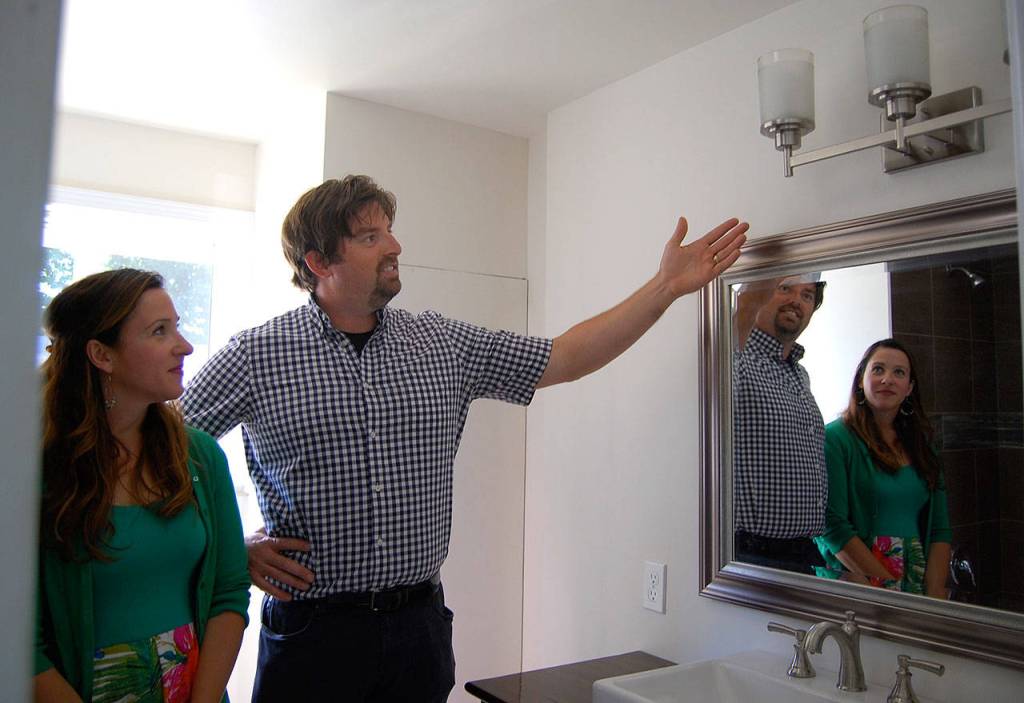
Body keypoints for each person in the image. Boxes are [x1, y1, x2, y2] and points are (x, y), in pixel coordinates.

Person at [180, 174, 748, 702]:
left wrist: (666, 286)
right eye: (371, 236)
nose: (395, 246)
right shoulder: (256, 356)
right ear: (319, 260)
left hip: (418, 632)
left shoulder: (442, 343)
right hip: (312, 637)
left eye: (391, 230)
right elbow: (155, 451)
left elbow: (567, 357)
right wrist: (235, 549)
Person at [35, 269, 250, 703]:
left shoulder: (201, 458)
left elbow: (228, 593)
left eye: (177, 326)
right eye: (159, 331)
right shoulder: (35, 472)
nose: (184, 346)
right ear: (102, 354)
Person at [814, 339, 951, 597]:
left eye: (899, 372)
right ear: (860, 381)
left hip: (915, 575)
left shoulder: (923, 446)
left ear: (909, 388)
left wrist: (934, 601)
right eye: (878, 369)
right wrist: (884, 590)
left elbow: (940, 530)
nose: (887, 379)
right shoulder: (836, 439)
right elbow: (831, 525)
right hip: (857, 579)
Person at [732, 274, 829, 574]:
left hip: (800, 554)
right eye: (785, 288)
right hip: (752, 555)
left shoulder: (800, 375)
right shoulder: (738, 359)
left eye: (807, 295)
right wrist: (746, 299)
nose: (796, 301)